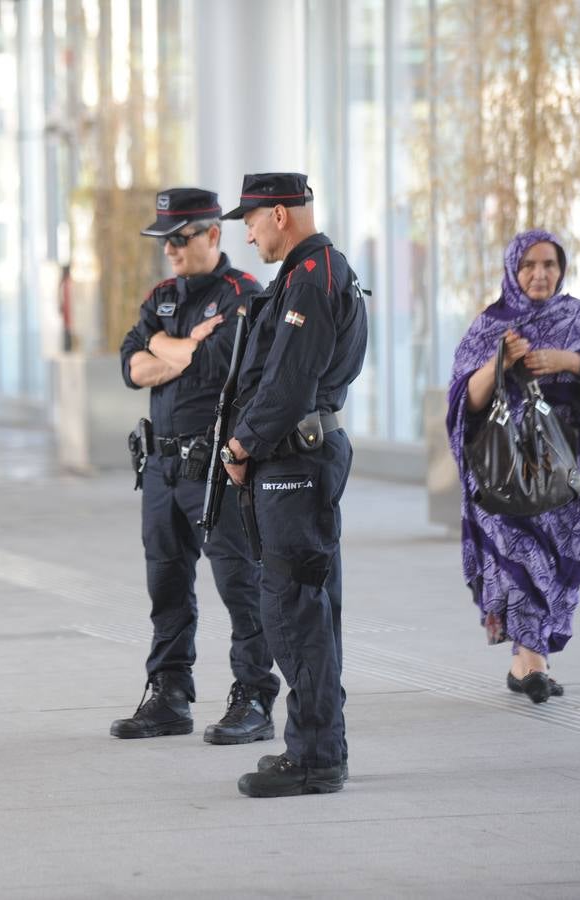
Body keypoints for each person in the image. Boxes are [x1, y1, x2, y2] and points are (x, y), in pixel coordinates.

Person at [446, 229, 580, 703]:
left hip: (567, 464)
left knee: (556, 565)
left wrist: (573, 361)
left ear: (562, 270)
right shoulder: (489, 325)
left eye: (550, 265)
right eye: (529, 266)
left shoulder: (577, 318)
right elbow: (464, 400)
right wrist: (497, 361)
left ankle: (527, 662)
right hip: (504, 464)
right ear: (513, 271)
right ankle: (531, 662)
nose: (540, 274)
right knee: (516, 560)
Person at [111, 187, 280, 745]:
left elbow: (216, 365)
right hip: (160, 467)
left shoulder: (243, 296)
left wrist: (166, 349)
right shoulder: (162, 295)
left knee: (240, 584)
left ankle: (253, 696)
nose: (171, 251)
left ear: (214, 234)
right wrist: (176, 343)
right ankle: (168, 694)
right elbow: (131, 366)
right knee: (166, 583)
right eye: (164, 241)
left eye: (181, 239)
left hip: (215, 469)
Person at [218, 173, 368, 797]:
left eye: (250, 221)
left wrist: (241, 443)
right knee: (311, 605)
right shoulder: (318, 271)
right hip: (304, 457)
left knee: (293, 609)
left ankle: (311, 758)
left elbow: (288, 383)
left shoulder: (312, 275)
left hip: (292, 464)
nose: (247, 235)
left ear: (279, 213)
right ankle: (321, 746)